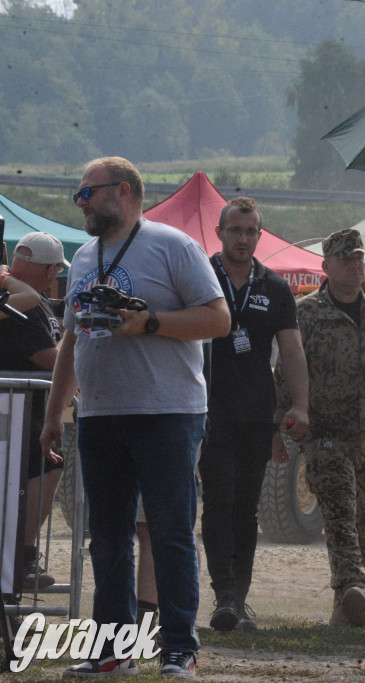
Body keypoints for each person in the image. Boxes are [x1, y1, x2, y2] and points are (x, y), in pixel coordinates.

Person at [40, 156, 231, 679]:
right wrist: (55, 411)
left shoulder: (173, 245)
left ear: (121, 192)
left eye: (86, 194)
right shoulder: (83, 257)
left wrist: (149, 323)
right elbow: (72, 340)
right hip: (101, 414)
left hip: (167, 411)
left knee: (169, 531)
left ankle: (178, 648)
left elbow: (218, 318)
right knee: (106, 537)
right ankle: (112, 648)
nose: (79, 203)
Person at [277, 228, 365, 630]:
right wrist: (282, 422)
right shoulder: (306, 313)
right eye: (346, 259)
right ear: (326, 266)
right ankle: (352, 583)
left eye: (360, 258)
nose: (355, 265)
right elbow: (286, 372)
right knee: (339, 507)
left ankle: (346, 607)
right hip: (325, 431)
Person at [200, 197, 309, 632]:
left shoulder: (275, 287)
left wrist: (300, 405)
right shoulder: (200, 275)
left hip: (256, 412)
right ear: (220, 233)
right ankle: (223, 592)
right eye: (236, 231)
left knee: (246, 509)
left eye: (251, 232)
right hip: (208, 411)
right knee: (219, 501)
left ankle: (237, 602)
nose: (243, 239)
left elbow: (292, 349)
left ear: (259, 236)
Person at [0, 233, 67, 590]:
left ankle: (19, 564)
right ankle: (22, 557)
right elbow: (50, 360)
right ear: (45, 268)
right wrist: (73, 350)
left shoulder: (31, 299)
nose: (58, 276)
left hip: (25, 410)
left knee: (44, 470)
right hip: (16, 413)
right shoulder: (20, 301)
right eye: (56, 269)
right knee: (46, 467)